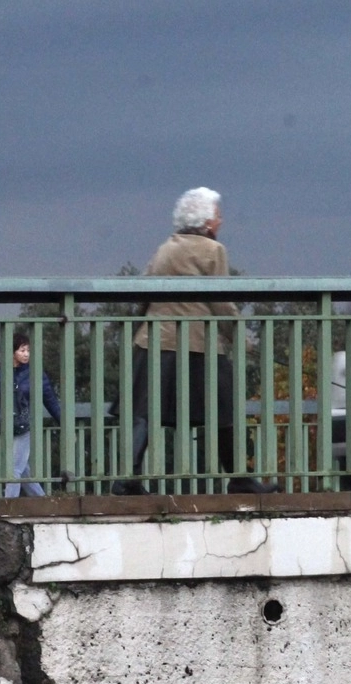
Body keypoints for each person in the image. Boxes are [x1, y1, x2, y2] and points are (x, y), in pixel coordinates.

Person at [113, 187, 274, 496]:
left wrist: (141, 323)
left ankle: (127, 477)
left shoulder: (166, 248)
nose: (221, 221)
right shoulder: (213, 251)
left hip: (156, 340)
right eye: (218, 215)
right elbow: (221, 302)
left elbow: (143, 290)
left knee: (145, 411)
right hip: (200, 343)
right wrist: (241, 337)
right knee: (224, 410)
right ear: (207, 221)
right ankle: (239, 478)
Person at [0, 332, 62, 497]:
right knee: (22, 469)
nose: (26, 354)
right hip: (7, 426)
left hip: (26, 425)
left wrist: (65, 423)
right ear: (12, 352)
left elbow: (51, 401)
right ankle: (44, 503)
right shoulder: (0, 374)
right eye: (22, 350)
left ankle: (9, 507)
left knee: (14, 468)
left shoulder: (36, 374)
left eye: (28, 350)